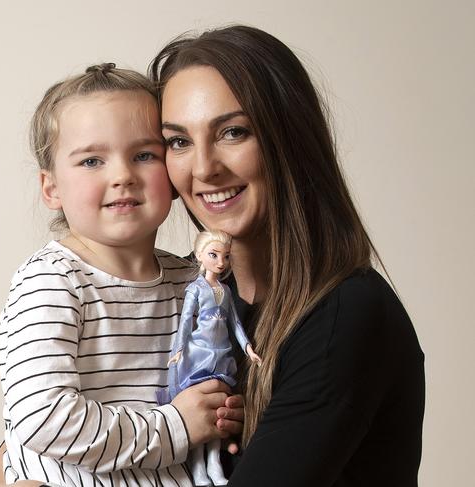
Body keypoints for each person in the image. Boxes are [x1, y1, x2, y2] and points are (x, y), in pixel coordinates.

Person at [151, 25, 425, 486]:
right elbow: (14, 465)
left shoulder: (345, 316)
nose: (204, 168)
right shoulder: (192, 299)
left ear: (288, 138)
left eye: (233, 132)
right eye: (178, 141)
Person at [0, 62, 243, 487]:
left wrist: (221, 410)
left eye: (144, 155)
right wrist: (176, 427)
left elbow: (201, 379)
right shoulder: (52, 282)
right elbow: (42, 416)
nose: (122, 175)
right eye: (92, 160)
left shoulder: (194, 280)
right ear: (51, 188)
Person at [159, 229, 261, 486]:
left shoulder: (225, 290)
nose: (220, 262)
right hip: (199, 352)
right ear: (200, 256)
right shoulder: (196, 288)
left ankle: (214, 465)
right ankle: (198, 468)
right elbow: (185, 321)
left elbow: (235, 323)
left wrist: (247, 347)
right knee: (199, 411)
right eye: (214, 255)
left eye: (226, 257)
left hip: (221, 352)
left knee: (218, 410)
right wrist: (179, 349)